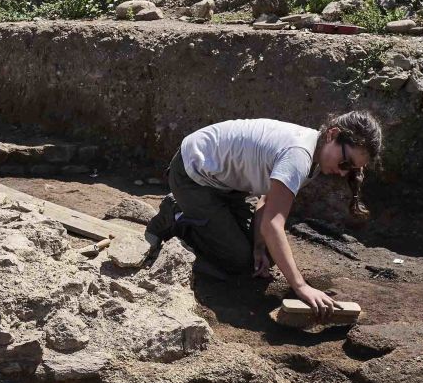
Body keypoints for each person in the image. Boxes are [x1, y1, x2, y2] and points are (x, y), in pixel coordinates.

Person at [147, 111, 384, 317]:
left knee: (263, 256)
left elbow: (267, 200)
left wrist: (259, 246)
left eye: (351, 169)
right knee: (237, 259)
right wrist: (301, 286)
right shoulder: (299, 155)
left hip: (227, 185)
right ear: (332, 134)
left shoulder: (315, 153)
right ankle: (176, 215)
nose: (344, 173)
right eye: (345, 162)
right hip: (192, 175)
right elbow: (273, 223)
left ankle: (201, 216)